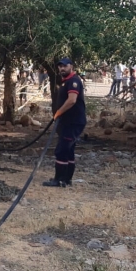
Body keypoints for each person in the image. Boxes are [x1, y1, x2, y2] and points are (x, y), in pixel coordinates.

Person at [43, 58, 86, 188]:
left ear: (71, 67)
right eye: (60, 66)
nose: (62, 68)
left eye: (65, 66)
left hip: (73, 122)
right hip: (68, 122)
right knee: (68, 150)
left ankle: (59, 179)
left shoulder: (73, 81)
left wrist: (58, 112)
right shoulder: (65, 82)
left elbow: (72, 100)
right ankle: (66, 179)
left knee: (62, 150)